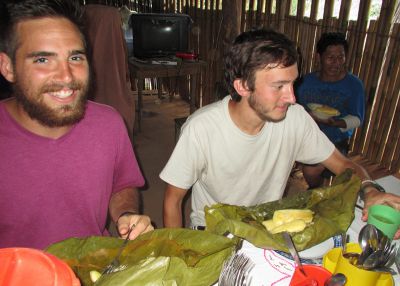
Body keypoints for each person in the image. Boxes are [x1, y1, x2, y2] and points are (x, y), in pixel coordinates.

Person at [160, 28, 400, 239]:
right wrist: (180, 251)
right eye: (279, 86)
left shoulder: (294, 118)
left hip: (269, 227)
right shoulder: (202, 128)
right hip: (216, 232)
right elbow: (173, 199)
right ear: (242, 86)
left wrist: (369, 189)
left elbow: (342, 164)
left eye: (293, 84)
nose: (292, 97)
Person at [0, 0, 153, 249]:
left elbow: (122, 183)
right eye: (42, 60)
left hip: (94, 266)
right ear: (8, 67)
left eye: (75, 57)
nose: (66, 77)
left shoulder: (109, 124)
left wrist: (125, 215)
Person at [296, 32, 365, 188]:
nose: (336, 63)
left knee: (311, 170)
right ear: (319, 57)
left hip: (335, 140)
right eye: (330, 58)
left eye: (340, 57)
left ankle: (316, 190)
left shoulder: (354, 85)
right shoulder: (306, 81)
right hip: (306, 136)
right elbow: (295, 108)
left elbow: (357, 119)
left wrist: (332, 122)